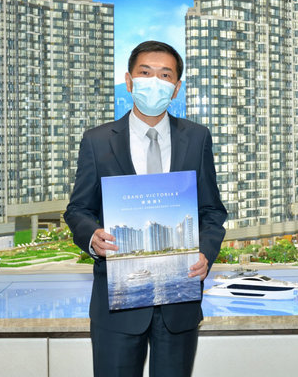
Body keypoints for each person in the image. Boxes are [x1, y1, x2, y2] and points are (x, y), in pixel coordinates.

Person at [64, 40, 227, 377]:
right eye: (145, 72)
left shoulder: (197, 138)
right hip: (117, 303)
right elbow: (77, 209)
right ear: (129, 81)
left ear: (176, 87)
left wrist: (206, 253)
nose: (155, 81)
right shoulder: (97, 140)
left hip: (179, 300)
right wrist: (92, 237)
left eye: (165, 75)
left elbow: (212, 211)